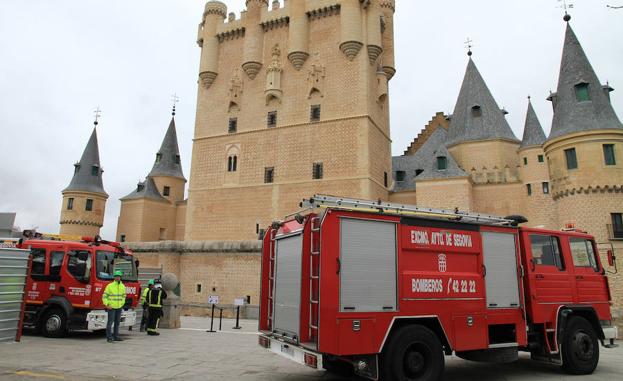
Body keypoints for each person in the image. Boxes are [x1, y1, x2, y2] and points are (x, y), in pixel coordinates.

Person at [102, 270, 126, 343]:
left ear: (120, 277)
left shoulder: (122, 286)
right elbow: (104, 296)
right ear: (114, 277)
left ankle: (116, 336)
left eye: (119, 276)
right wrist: (107, 304)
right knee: (110, 322)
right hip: (111, 307)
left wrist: (122, 304)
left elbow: (124, 296)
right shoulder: (110, 286)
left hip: (119, 307)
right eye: (116, 276)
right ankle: (109, 337)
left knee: (117, 323)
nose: (117, 278)